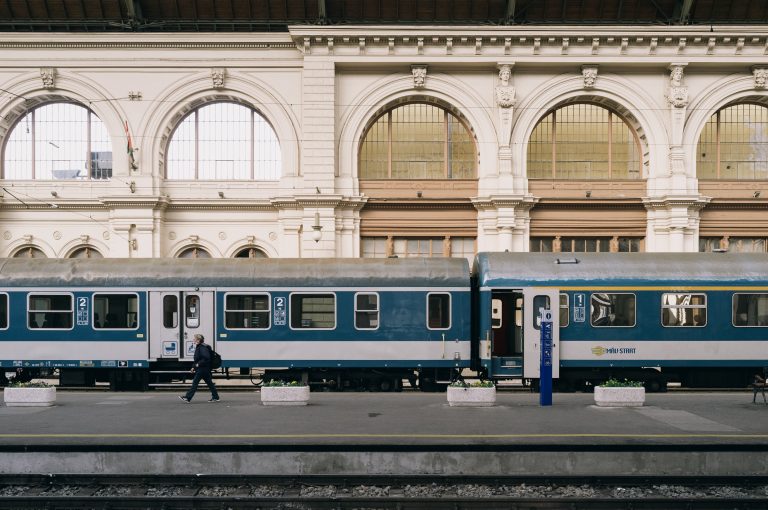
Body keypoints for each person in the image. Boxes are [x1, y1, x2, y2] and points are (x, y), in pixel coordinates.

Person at [179, 334, 220, 403]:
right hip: (204, 369)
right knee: (210, 383)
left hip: (202, 369)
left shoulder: (202, 347)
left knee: (195, 383)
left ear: (198, 340)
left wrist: (198, 364)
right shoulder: (200, 347)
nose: (193, 340)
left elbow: (206, 358)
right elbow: (197, 359)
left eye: (194, 339)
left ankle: (188, 397)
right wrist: (193, 367)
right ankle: (216, 397)